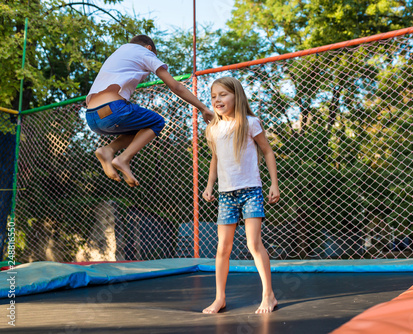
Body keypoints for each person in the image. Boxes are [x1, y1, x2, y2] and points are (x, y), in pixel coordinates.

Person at [85, 35, 213, 187]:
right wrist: (203, 108)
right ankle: (123, 158)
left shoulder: (119, 52)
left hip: (92, 117)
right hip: (114, 111)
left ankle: (108, 150)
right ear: (149, 48)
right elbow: (175, 86)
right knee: (157, 122)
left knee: (138, 130)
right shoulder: (145, 52)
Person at [202, 77, 280, 314]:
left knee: (253, 244)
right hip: (226, 194)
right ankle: (220, 298)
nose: (218, 100)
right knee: (222, 248)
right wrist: (209, 185)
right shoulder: (214, 128)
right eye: (214, 96)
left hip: (251, 191)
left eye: (223, 94)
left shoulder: (250, 123)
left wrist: (274, 184)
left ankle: (269, 295)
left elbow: (267, 151)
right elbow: (215, 159)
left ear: (236, 96)